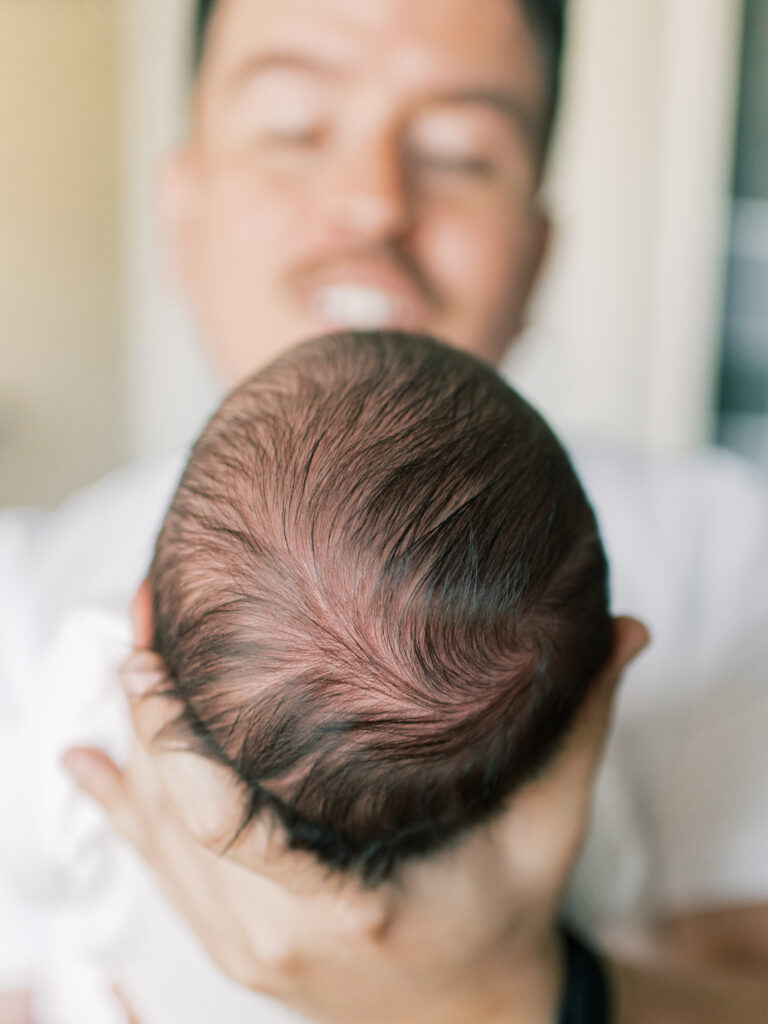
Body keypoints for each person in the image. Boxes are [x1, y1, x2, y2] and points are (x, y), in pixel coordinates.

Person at [0, 0, 767, 1020]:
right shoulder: (20, 592)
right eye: (296, 127)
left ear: (538, 247)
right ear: (177, 205)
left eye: (458, 151)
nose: (371, 204)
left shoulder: (730, 550)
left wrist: (499, 995)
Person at [1, 330, 634, 1023]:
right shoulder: (564, 814)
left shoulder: (91, 672)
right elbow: (621, 889)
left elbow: (30, 852)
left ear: (140, 615)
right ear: (587, 701)